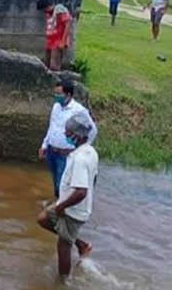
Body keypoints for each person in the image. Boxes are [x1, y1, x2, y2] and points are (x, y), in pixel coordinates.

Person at [37, 114, 98, 280]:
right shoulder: (89, 151)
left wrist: (61, 207)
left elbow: (81, 192)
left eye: (68, 132)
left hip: (71, 210)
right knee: (43, 218)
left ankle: (63, 281)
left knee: (63, 247)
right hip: (67, 203)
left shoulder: (80, 159)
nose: (65, 134)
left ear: (77, 135)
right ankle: (81, 244)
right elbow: (92, 180)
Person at [38, 80, 97, 199]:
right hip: (51, 151)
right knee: (55, 180)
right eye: (55, 93)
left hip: (65, 154)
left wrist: (82, 148)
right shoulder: (56, 107)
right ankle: (57, 202)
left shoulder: (79, 110)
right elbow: (52, 126)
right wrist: (44, 145)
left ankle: (61, 207)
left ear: (68, 95)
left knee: (63, 183)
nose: (56, 97)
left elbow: (93, 130)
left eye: (59, 94)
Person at [36, 0, 72, 71]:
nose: (44, 12)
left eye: (44, 9)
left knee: (54, 66)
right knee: (46, 64)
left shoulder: (60, 11)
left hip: (58, 42)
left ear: (48, 6)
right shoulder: (49, 14)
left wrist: (63, 41)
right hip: (50, 42)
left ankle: (56, 81)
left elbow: (68, 24)